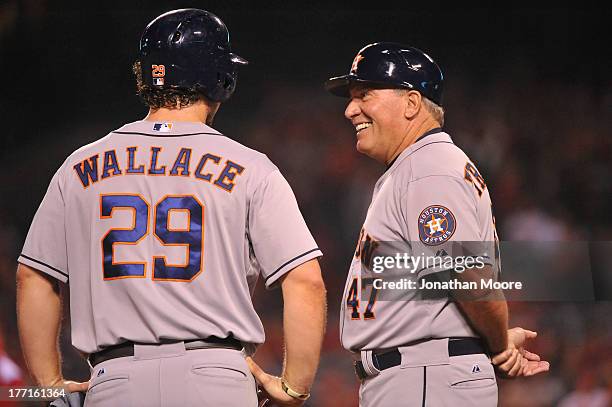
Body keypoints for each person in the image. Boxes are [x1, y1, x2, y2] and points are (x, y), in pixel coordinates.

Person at [16, 9, 326, 407]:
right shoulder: (251, 167)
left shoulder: (78, 166)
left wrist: (48, 384)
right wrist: (294, 387)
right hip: (217, 378)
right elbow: (305, 281)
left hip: (116, 381)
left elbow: (34, 277)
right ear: (219, 78)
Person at [325, 42, 549, 406]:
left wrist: (498, 345)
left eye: (364, 94)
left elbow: (468, 277)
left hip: (425, 376)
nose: (351, 109)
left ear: (412, 104)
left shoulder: (428, 167)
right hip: (421, 374)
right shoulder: (419, 165)